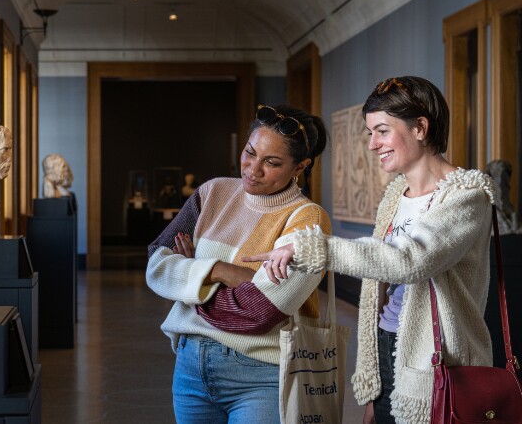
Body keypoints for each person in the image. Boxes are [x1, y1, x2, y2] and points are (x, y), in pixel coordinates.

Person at [251, 77, 497, 424]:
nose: (372, 144)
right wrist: (372, 391)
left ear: (420, 128)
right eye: (371, 133)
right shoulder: (397, 195)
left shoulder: (466, 196)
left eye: (381, 131)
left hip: (438, 361)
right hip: (386, 347)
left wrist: (315, 248)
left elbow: (410, 261)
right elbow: (375, 293)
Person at [146, 104, 330, 424]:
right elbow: (155, 264)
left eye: (271, 162)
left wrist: (191, 277)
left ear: (300, 166)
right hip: (190, 366)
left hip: (259, 375)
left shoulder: (308, 219)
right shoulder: (212, 193)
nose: (252, 169)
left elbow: (259, 312)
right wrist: (221, 271)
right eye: (249, 153)